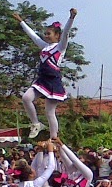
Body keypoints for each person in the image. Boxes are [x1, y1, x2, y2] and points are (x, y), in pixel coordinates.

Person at [13, 9, 77, 139]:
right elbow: (33, 36)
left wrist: (71, 18)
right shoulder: (44, 47)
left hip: (53, 81)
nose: (46, 36)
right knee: (26, 98)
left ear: (57, 36)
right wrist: (21, 22)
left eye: (49, 34)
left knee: (49, 112)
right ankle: (36, 123)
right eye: (45, 34)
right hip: (42, 81)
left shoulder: (60, 47)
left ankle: (54, 138)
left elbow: (66, 32)